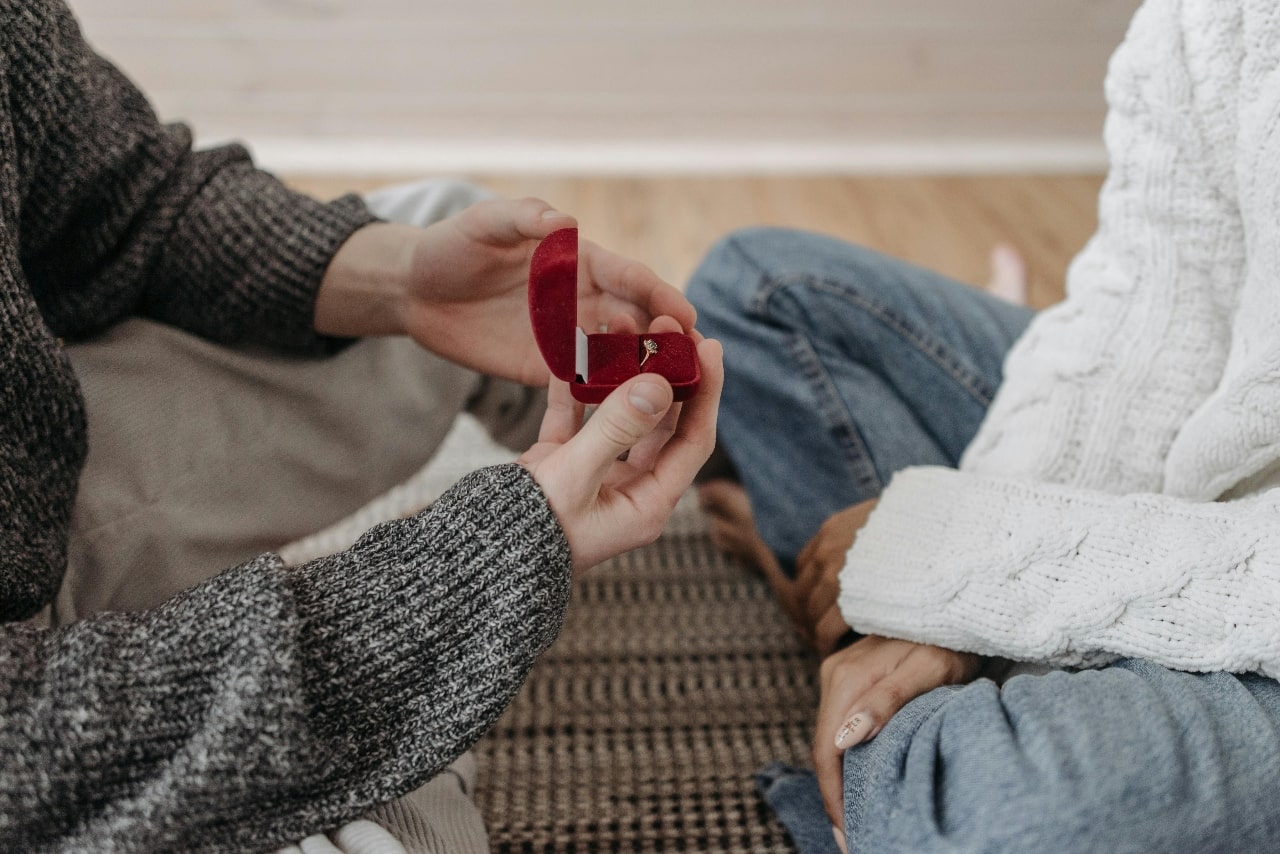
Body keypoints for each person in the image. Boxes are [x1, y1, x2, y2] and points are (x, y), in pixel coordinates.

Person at [0, 0, 723, 850]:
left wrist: (403, 283)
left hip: (34, 494)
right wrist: (464, 590)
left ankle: (719, 476)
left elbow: (122, 203)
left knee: (440, 229)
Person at [688, 0, 1280, 851]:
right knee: (758, 290)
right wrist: (950, 595)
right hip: (1212, 467)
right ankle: (931, 689)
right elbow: (1148, 318)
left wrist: (965, 565)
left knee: (1014, 812)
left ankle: (867, 650)